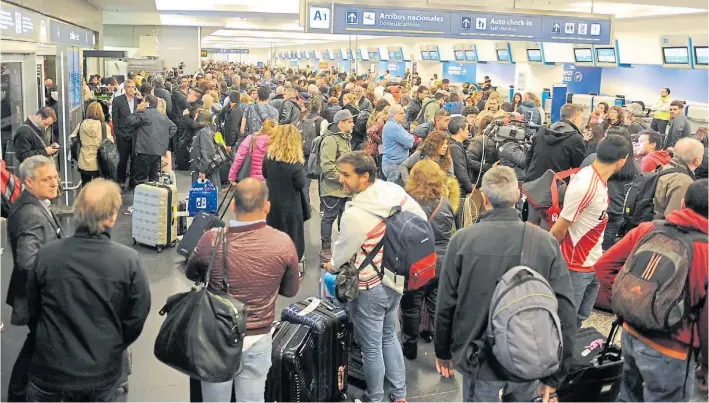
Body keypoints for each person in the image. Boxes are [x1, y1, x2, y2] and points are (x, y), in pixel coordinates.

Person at [435, 165, 576, 402]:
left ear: (485, 200)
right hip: (529, 355)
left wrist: (443, 351)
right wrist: (555, 375)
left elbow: (446, 303)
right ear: (518, 197)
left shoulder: (462, 241)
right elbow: (566, 310)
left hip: (479, 359)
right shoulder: (544, 242)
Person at [24, 179, 150, 402]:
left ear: (78, 211)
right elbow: (136, 316)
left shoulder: (46, 255)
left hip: (50, 372)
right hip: (102, 376)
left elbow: (33, 310)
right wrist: (114, 344)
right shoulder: (128, 261)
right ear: (112, 217)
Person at [186, 178, 300, 402]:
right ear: (267, 207)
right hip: (258, 337)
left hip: (217, 338)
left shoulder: (212, 239)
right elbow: (290, 290)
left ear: (235, 206)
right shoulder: (284, 244)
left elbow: (192, 273)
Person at [595, 179, 708, 402]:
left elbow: (603, 266)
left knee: (628, 395)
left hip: (631, 332)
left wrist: (625, 305)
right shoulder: (705, 251)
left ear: (683, 202)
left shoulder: (648, 229)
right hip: (673, 349)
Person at [326, 151, 425, 403]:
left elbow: (340, 257)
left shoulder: (355, 214)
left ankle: (375, 397)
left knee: (371, 347)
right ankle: (400, 395)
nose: (341, 179)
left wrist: (332, 264)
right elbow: (420, 220)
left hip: (369, 288)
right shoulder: (392, 192)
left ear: (365, 176)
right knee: (389, 335)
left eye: (346, 174)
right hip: (394, 281)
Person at [549, 134, 630, 328]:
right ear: (622, 161)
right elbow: (558, 229)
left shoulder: (597, 179)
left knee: (579, 317)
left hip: (592, 261)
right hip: (575, 265)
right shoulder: (586, 185)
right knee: (564, 322)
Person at [5, 156, 63, 402]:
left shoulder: (35, 203)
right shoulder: (30, 213)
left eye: (55, 177)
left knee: (38, 342)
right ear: (28, 181)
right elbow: (28, 262)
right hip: (39, 298)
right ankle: (18, 393)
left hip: (37, 296)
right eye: (46, 179)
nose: (54, 183)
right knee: (39, 344)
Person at [401, 160, 454, 360]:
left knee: (411, 307)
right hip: (441, 261)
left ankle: (410, 347)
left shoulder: (407, 203)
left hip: (416, 263)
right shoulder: (445, 202)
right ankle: (444, 349)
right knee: (437, 306)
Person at [582, 128, 639, 251]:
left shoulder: (592, 160)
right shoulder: (636, 167)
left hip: (591, 213)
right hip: (618, 216)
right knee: (605, 252)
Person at [262, 124, 307, 277]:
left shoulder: (268, 158)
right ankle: (292, 269)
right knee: (292, 236)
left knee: (274, 234)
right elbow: (301, 184)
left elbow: (265, 174)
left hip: (272, 203)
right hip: (291, 206)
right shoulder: (296, 165)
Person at [318, 110, 354, 264]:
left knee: (344, 220)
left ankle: (343, 248)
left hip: (345, 189)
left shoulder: (344, 138)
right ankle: (325, 248)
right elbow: (327, 165)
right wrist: (342, 179)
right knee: (329, 217)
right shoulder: (331, 140)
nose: (353, 124)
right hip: (333, 189)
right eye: (350, 122)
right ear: (341, 123)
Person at [525, 103, 587, 183]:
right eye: (581, 118)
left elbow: (528, 157)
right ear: (574, 118)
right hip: (554, 188)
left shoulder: (543, 131)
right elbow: (579, 169)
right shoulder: (575, 139)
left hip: (532, 183)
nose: (581, 121)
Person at [127, 95, 176, 185]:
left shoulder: (144, 114)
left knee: (140, 178)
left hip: (144, 150)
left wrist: (137, 110)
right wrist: (164, 138)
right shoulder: (163, 116)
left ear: (147, 103)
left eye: (143, 101)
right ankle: (154, 197)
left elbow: (130, 121)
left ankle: (140, 198)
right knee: (154, 177)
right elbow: (173, 127)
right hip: (157, 152)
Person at [654, 137, 704, 219]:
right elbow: (674, 219)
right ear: (697, 160)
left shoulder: (659, 169)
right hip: (660, 229)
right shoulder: (684, 182)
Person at [74, 102, 114, 184]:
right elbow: (110, 143)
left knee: (85, 185)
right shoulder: (104, 127)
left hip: (84, 161)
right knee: (98, 187)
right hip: (99, 163)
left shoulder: (81, 125)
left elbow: (73, 138)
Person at [229, 119, 277, 184]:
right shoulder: (276, 142)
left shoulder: (251, 138)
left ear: (262, 127)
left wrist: (232, 177)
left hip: (252, 179)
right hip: (269, 180)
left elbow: (238, 159)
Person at [111, 79, 139, 188]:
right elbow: (115, 118)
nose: (131, 89)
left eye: (133, 87)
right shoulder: (118, 100)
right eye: (129, 87)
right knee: (122, 159)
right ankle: (121, 180)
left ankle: (133, 181)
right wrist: (117, 133)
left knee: (135, 160)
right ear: (125, 88)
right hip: (122, 134)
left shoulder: (138, 100)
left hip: (135, 135)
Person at [381, 105, 414, 183]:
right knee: (395, 192)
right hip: (394, 166)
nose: (404, 115)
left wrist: (410, 137)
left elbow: (409, 137)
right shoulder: (393, 127)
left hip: (393, 164)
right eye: (401, 113)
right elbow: (409, 143)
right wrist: (410, 138)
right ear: (393, 114)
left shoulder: (396, 125)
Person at [190, 109, 221, 187]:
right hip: (203, 168)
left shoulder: (204, 132)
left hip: (204, 170)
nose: (194, 117)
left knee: (203, 195)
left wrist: (202, 170)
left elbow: (207, 152)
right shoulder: (205, 130)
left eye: (196, 116)